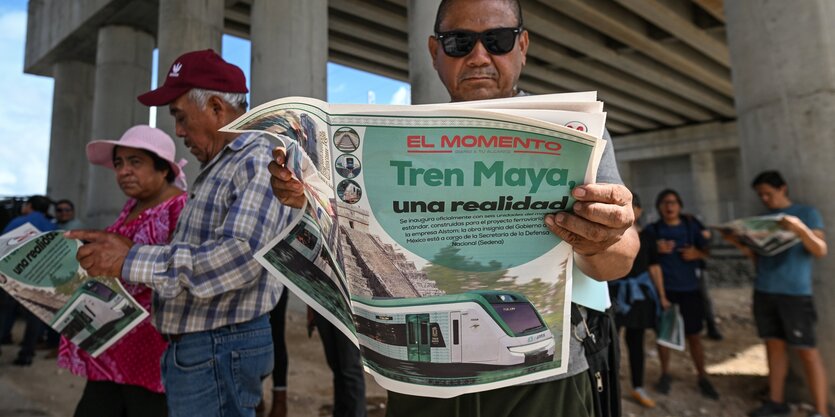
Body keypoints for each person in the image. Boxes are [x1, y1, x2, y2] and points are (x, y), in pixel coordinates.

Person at [269, 1, 638, 416]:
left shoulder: (576, 131)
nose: (479, 57)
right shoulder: (394, 142)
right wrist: (309, 198)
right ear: (434, 51)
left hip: (544, 384)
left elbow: (618, 261)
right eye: (459, 42)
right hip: (421, 381)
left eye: (497, 40)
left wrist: (604, 235)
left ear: (523, 45)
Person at [66, 49, 291, 417]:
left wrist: (129, 258)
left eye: (180, 116)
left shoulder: (257, 157)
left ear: (217, 107)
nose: (179, 131)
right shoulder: (225, 163)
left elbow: (239, 258)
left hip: (217, 344)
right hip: (203, 347)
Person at [57, 125, 187, 417]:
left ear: (164, 169)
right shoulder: (132, 205)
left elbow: (183, 270)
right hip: (112, 344)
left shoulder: (180, 208)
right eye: (119, 164)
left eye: (135, 162)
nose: (123, 171)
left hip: (151, 351)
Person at [723, 171, 828, 417]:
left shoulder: (806, 214)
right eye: (761, 195)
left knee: (807, 351)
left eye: (768, 193)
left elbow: (820, 250)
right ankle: (775, 401)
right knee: (773, 346)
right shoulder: (762, 219)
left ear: (783, 189)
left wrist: (800, 230)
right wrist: (738, 242)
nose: (765, 199)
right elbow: (758, 258)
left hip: (795, 294)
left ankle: (821, 410)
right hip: (765, 290)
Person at [648, 189, 719, 400]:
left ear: (680, 205)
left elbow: (707, 250)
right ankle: (665, 374)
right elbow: (644, 256)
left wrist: (696, 253)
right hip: (664, 291)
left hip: (690, 289)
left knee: (694, 335)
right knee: (663, 336)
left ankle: (702, 375)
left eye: (673, 202)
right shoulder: (653, 231)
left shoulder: (691, 226)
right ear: (659, 207)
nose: (669, 207)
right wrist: (655, 248)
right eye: (664, 203)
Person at [609, 193, 668, 408]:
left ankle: (637, 386)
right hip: (614, 294)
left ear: (640, 210)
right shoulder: (609, 234)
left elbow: (654, 266)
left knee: (636, 343)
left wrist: (661, 296)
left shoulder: (648, 236)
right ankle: (609, 385)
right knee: (610, 342)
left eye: (633, 207)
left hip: (640, 296)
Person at [1, 195, 57, 366]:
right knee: (34, 316)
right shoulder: (52, 226)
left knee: (4, 312)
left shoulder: (20, 222)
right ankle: (26, 355)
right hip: (40, 278)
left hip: (13, 275)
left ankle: (3, 339)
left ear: (30, 206)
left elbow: (3, 246)